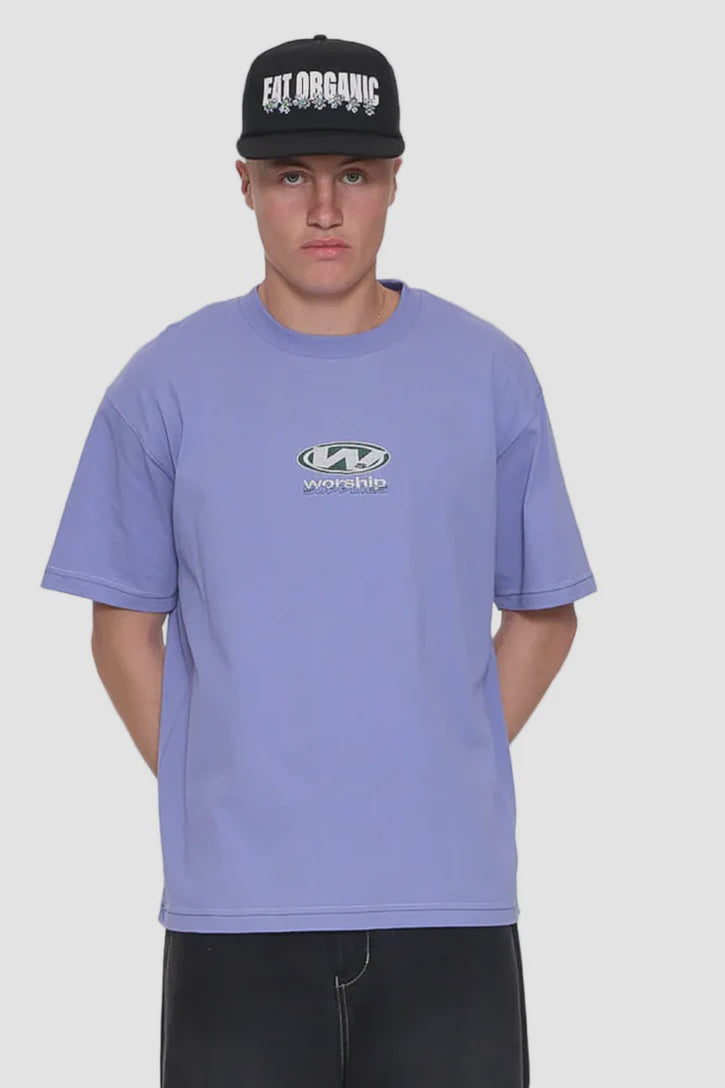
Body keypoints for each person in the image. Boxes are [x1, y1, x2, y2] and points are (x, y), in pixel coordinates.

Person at [40, 33, 597, 1088]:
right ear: (244, 183)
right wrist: (219, 774)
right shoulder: (165, 382)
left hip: (446, 899)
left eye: (355, 174)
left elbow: (542, 611)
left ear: (395, 180)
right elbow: (121, 626)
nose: (326, 209)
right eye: (292, 175)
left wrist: (435, 757)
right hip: (236, 908)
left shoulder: (486, 372)